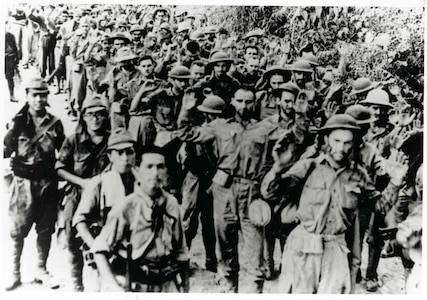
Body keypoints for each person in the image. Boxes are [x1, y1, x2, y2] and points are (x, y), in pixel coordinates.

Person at [261, 114, 404, 293]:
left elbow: (379, 206)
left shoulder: (358, 175)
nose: (341, 148)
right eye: (336, 140)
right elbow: (269, 193)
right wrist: (277, 168)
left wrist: (396, 183)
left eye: (347, 143)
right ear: (327, 139)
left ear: (354, 143)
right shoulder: (308, 167)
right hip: (303, 247)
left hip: (336, 249)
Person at [178, 86, 275, 293]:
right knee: (225, 246)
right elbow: (186, 133)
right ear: (232, 102)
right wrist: (186, 110)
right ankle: (228, 289)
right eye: (239, 101)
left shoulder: (264, 129)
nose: (244, 106)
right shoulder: (219, 127)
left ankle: (253, 292)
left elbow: (291, 141)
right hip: (224, 190)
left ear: (254, 104)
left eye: (248, 102)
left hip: (251, 192)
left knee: (254, 249)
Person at [91, 145, 190, 292]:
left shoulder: (171, 203)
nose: (155, 173)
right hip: (135, 283)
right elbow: (100, 249)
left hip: (166, 283)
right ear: (137, 169)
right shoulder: (126, 206)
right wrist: (115, 287)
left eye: (160, 167)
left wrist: (185, 286)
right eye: (149, 167)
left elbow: (181, 251)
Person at [4, 77, 65, 291]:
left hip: (46, 183)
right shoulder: (18, 122)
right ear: (27, 96)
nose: (39, 99)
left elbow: (63, 153)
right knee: (17, 230)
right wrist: (14, 127)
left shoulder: (55, 122)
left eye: (43, 95)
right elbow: (6, 150)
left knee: (45, 229)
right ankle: (14, 271)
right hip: (23, 183)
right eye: (34, 95)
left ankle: (41, 269)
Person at [55, 95, 110, 291]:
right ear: (83, 117)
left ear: (106, 117)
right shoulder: (74, 141)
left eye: (100, 115)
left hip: (106, 196)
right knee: (72, 237)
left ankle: (103, 284)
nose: (95, 119)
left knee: (107, 238)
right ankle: (77, 285)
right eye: (90, 115)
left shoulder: (113, 141)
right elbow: (60, 168)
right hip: (78, 194)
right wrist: (82, 183)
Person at [72, 127, 138, 291]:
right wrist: (95, 246)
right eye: (119, 153)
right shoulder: (99, 183)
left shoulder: (142, 182)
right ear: (110, 156)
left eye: (129, 152)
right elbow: (79, 220)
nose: (125, 158)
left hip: (135, 252)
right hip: (107, 254)